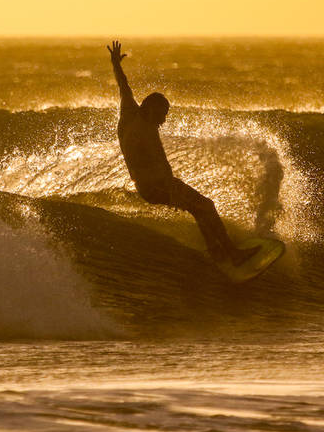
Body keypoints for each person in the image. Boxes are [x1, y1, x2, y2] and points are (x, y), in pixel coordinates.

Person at [107, 40, 258, 266]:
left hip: (150, 185)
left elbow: (123, 84)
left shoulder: (130, 111)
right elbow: (147, 164)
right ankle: (232, 254)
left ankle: (216, 252)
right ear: (150, 108)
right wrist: (170, 189)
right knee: (206, 206)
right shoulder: (143, 131)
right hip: (155, 185)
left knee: (198, 209)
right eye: (162, 114)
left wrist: (116, 65)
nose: (164, 120)